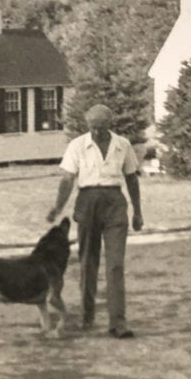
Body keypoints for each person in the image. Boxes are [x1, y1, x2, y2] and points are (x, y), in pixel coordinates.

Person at [47, 104, 143, 339]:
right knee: (88, 261)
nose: (97, 131)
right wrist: (57, 207)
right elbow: (68, 179)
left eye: (101, 127)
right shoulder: (78, 145)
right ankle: (88, 314)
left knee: (115, 265)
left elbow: (131, 178)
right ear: (87, 125)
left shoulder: (122, 145)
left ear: (110, 124)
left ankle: (118, 323)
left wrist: (137, 212)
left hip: (115, 203)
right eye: (93, 127)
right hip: (88, 201)